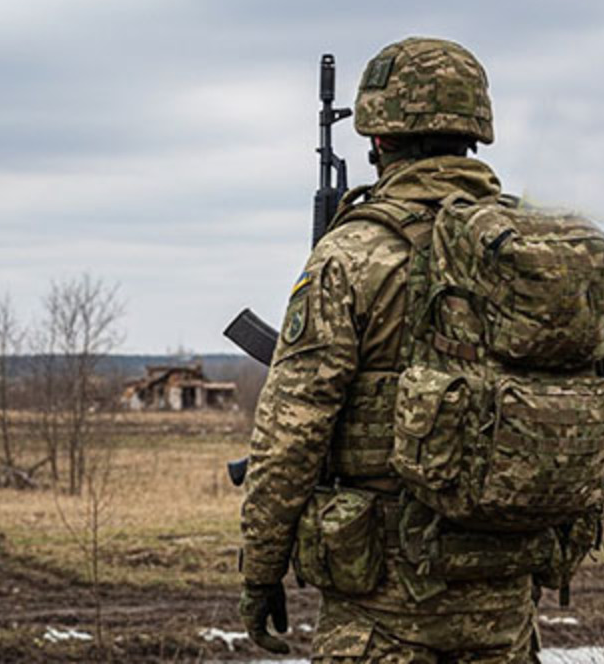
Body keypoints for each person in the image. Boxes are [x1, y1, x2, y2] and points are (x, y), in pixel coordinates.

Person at [240, 37, 567, 663]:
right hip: (505, 610)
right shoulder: (533, 247)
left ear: (379, 139)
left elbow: (290, 433)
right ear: (475, 131)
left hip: (383, 611)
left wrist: (260, 570)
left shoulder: (353, 253)